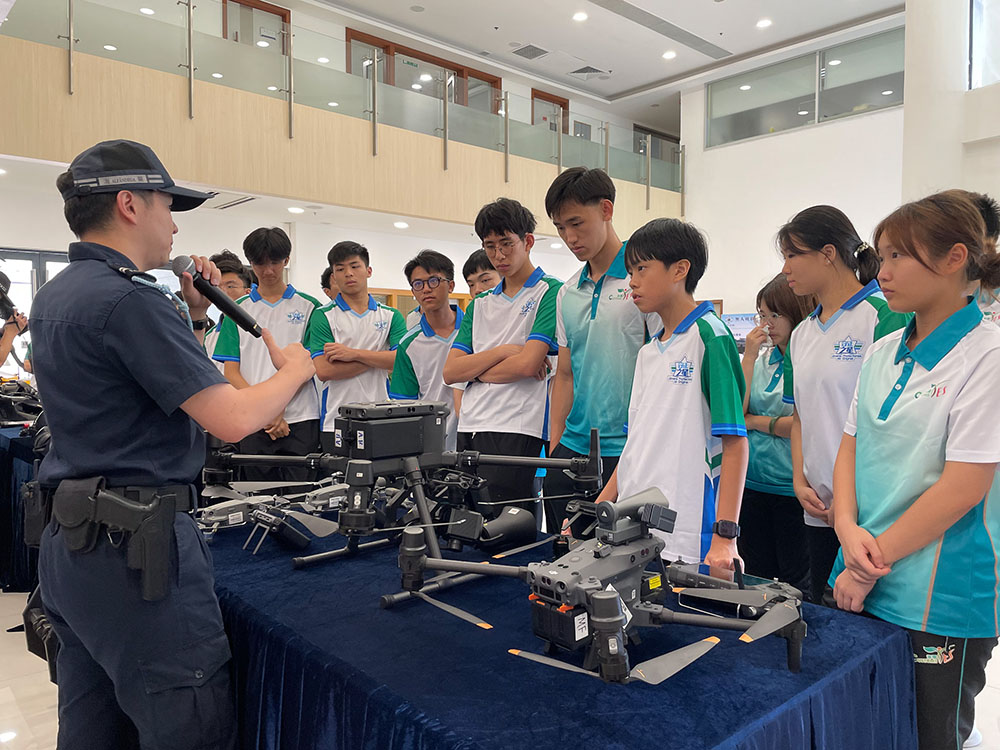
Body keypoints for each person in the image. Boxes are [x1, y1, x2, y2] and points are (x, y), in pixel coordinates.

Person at [31, 139, 316, 749]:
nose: (175, 224)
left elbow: (134, 394)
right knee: (187, 726)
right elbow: (231, 419)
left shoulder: (59, 293)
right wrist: (295, 370)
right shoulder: (131, 299)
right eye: (167, 206)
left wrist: (193, 314)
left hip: (73, 544)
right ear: (130, 204)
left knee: (92, 727)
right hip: (137, 556)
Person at [829, 191, 1000, 750]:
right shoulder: (882, 351)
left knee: (929, 737)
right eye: (881, 256)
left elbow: (963, 487)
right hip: (858, 567)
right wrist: (846, 530)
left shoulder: (987, 355)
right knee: (861, 728)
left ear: (955, 259)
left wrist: (867, 564)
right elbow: (850, 446)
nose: (883, 271)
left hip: (937, 593)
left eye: (899, 255)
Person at [595, 218, 748, 576]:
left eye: (642, 268)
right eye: (630, 271)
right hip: (633, 525)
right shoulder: (648, 352)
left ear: (680, 270)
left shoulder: (711, 337)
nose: (632, 281)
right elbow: (636, 444)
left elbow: (735, 443)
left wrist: (725, 535)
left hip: (688, 530)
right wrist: (602, 503)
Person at [779, 205, 908, 603]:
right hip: (817, 506)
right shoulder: (801, 334)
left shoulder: (883, 317)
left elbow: (890, 425)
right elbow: (800, 417)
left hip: (868, 509)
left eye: (792, 255)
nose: (785, 269)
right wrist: (800, 482)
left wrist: (848, 500)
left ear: (828, 253)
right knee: (825, 615)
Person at [542, 167, 649, 536]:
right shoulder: (566, 292)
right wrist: (555, 448)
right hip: (572, 450)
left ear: (606, 210)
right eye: (560, 228)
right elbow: (565, 374)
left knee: (621, 561)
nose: (569, 238)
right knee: (561, 555)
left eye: (576, 223)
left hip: (628, 449)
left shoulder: (643, 283)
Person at [443, 198, 562, 513]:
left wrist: (475, 372)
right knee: (468, 520)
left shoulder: (550, 292)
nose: (498, 255)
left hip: (517, 423)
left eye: (507, 244)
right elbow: (451, 372)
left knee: (508, 521)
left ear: (528, 241)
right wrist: (504, 351)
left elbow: (528, 364)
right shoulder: (480, 304)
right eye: (490, 246)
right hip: (470, 423)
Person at [213, 228, 321, 479]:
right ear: (250, 264)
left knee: (302, 496)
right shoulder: (237, 310)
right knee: (255, 495)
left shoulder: (310, 307)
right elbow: (231, 372)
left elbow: (309, 368)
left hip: (300, 417)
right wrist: (264, 411)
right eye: (260, 263)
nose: (268, 270)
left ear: (286, 260)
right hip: (253, 420)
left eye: (275, 262)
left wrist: (275, 409)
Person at [737, 274, 813, 589]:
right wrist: (749, 357)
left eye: (776, 315)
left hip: (793, 488)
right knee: (755, 577)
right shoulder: (762, 359)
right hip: (753, 483)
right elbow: (737, 412)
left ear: (796, 312)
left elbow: (802, 424)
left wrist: (757, 422)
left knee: (797, 581)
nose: (767, 324)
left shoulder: (808, 358)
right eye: (762, 315)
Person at [308, 240, 407, 450]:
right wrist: (379, 358)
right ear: (333, 276)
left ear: (368, 271)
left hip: (380, 415)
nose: (348, 274)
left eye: (354, 266)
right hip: (336, 418)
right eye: (340, 269)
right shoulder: (323, 316)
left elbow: (400, 361)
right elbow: (324, 371)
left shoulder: (391, 315)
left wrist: (352, 354)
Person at [388, 250, 463, 449]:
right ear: (413, 292)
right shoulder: (408, 344)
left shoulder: (473, 330)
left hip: (476, 437)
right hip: (433, 445)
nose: (426, 289)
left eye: (434, 281)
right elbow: (405, 405)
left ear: (451, 286)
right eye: (418, 284)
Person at [203, 250, 251, 373]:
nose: (223, 292)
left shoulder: (261, 329)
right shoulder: (209, 337)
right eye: (217, 288)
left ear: (247, 292)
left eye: (230, 286)